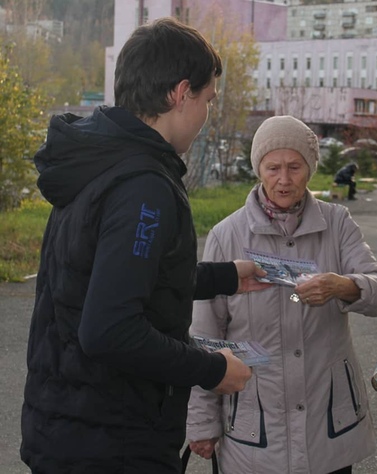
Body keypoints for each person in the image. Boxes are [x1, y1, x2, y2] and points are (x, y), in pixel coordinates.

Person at [20, 17, 271, 473]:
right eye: (208, 99)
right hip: (111, 441)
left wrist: (225, 276)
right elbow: (110, 329)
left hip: (68, 428)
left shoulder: (100, 159)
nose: (207, 113)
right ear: (180, 93)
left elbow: (113, 275)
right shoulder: (143, 186)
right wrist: (213, 369)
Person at [186, 115, 377, 474]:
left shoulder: (337, 223)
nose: (283, 180)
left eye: (295, 167)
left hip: (326, 422)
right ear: (259, 169)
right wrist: (202, 423)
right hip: (254, 424)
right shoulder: (227, 235)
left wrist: (343, 286)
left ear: (310, 169)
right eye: (273, 167)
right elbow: (205, 335)